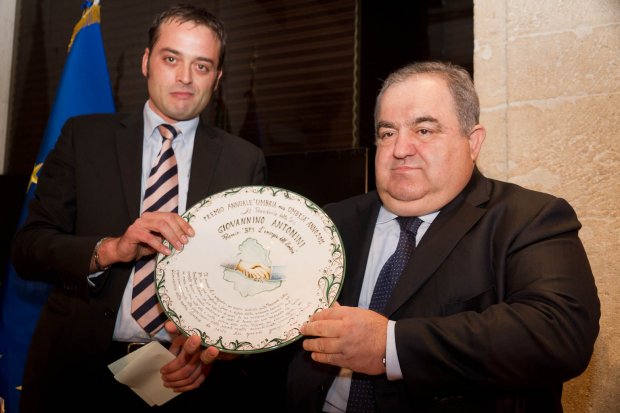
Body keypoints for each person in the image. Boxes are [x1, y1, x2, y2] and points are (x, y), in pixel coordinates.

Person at [11, 4, 282, 412]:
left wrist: (209, 350)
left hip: (182, 379)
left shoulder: (243, 161)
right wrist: (112, 249)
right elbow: (28, 249)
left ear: (217, 78)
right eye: (171, 59)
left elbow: (248, 281)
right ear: (146, 62)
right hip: (75, 374)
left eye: (202, 66)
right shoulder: (84, 138)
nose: (185, 77)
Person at [285, 61, 601, 412]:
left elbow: (560, 332)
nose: (400, 148)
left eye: (424, 130)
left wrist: (390, 346)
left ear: (473, 141)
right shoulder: (330, 221)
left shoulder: (528, 218)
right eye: (387, 133)